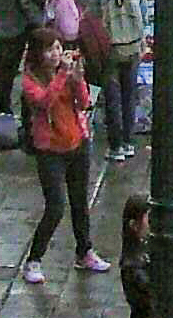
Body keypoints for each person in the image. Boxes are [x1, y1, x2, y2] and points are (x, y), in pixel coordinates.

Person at [18, 26, 111, 284]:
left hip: (76, 142)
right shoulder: (29, 80)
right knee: (56, 206)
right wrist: (61, 77)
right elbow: (43, 102)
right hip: (49, 149)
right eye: (50, 49)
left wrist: (78, 78)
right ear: (38, 53)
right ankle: (34, 259)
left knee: (80, 202)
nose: (56, 54)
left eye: (58, 47)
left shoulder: (66, 74)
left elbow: (83, 102)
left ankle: (85, 251)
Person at [83, 0, 148, 163]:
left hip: (109, 47)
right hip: (133, 45)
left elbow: (92, 16)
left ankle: (116, 145)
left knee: (112, 97)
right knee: (130, 94)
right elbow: (145, 14)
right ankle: (129, 141)